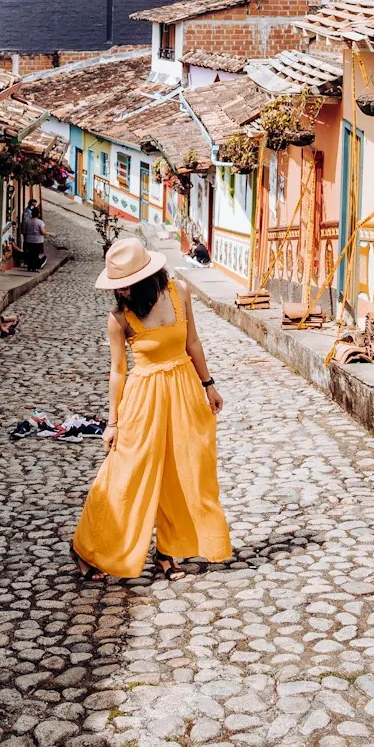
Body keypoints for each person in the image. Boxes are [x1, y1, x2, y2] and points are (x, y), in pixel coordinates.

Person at [71, 236, 232, 580]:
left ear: (147, 277)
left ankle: (166, 554)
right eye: (119, 286)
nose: (123, 291)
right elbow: (118, 372)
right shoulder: (119, 318)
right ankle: (89, 549)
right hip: (143, 399)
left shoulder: (180, 292)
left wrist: (209, 384)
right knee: (126, 474)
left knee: (184, 471)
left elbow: (192, 342)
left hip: (184, 391)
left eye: (128, 284)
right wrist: (112, 423)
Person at [21, 201, 46, 271]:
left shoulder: (27, 221)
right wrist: (50, 234)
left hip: (29, 239)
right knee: (35, 254)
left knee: (30, 253)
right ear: (38, 214)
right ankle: (34, 268)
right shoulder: (40, 222)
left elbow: (24, 230)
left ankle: (29, 267)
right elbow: (43, 232)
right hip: (37, 240)